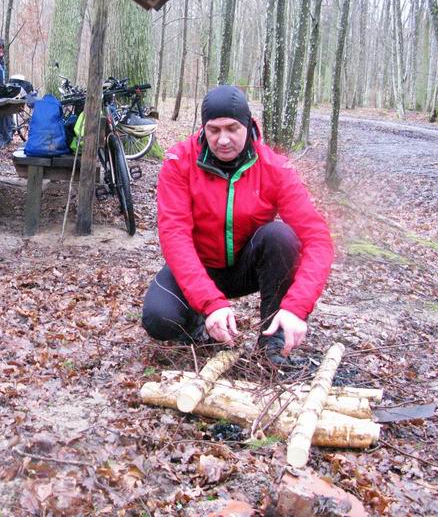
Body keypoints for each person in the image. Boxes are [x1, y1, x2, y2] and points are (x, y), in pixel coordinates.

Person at [142, 85, 334, 366]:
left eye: (232, 128)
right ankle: (198, 325)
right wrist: (210, 303)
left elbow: (318, 239)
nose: (223, 140)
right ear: (203, 129)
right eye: (214, 130)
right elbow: (175, 236)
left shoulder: (274, 168)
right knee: (159, 319)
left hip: (247, 268)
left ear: (248, 125)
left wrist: (296, 307)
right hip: (199, 265)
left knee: (280, 236)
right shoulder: (179, 162)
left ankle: (272, 343)